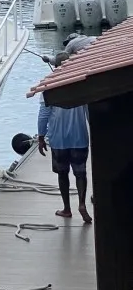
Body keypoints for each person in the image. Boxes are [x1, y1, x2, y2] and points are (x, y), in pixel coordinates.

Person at [37, 91, 91, 223]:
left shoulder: (49, 89)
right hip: (80, 138)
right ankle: (82, 204)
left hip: (58, 139)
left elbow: (43, 114)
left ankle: (67, 209)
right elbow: (89, 112)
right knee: (80, 174)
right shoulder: (81, 87)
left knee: (62, 174)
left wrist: (41, 136)